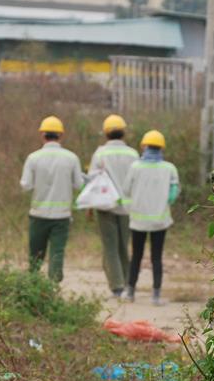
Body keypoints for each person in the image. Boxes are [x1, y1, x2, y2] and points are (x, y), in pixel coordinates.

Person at [20, 115, 84, 284]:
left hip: (38, 215)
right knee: (57, 254)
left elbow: (25, 185)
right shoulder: (71, 158)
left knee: (35, 256)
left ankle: (32, 288)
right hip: (61, 217)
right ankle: (53, 288)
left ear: (42, 135)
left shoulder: (33, 158)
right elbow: (79, 184)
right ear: (61, 135)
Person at [123, 130, 179, 305]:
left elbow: (126, 190)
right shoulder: (169, 168)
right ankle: (156, 296)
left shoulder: (135, 167)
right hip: (160, 222)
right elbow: (174, 193)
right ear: (162, 148)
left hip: (138, 221)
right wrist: (165, 201)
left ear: (144, 146)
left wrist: (132, 204)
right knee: (156, 258)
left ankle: (130, 293)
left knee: (136, 256)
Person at [88, 114, 138, 298]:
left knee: (110, 246)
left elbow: (93, 181)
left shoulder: (100, 154)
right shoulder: (133, 154)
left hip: (105, 206)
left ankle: (117, 286)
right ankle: (126, 283)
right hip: (128, 208)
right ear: (124, 133)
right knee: (124, 246)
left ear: (106, 133)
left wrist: (89, 207)